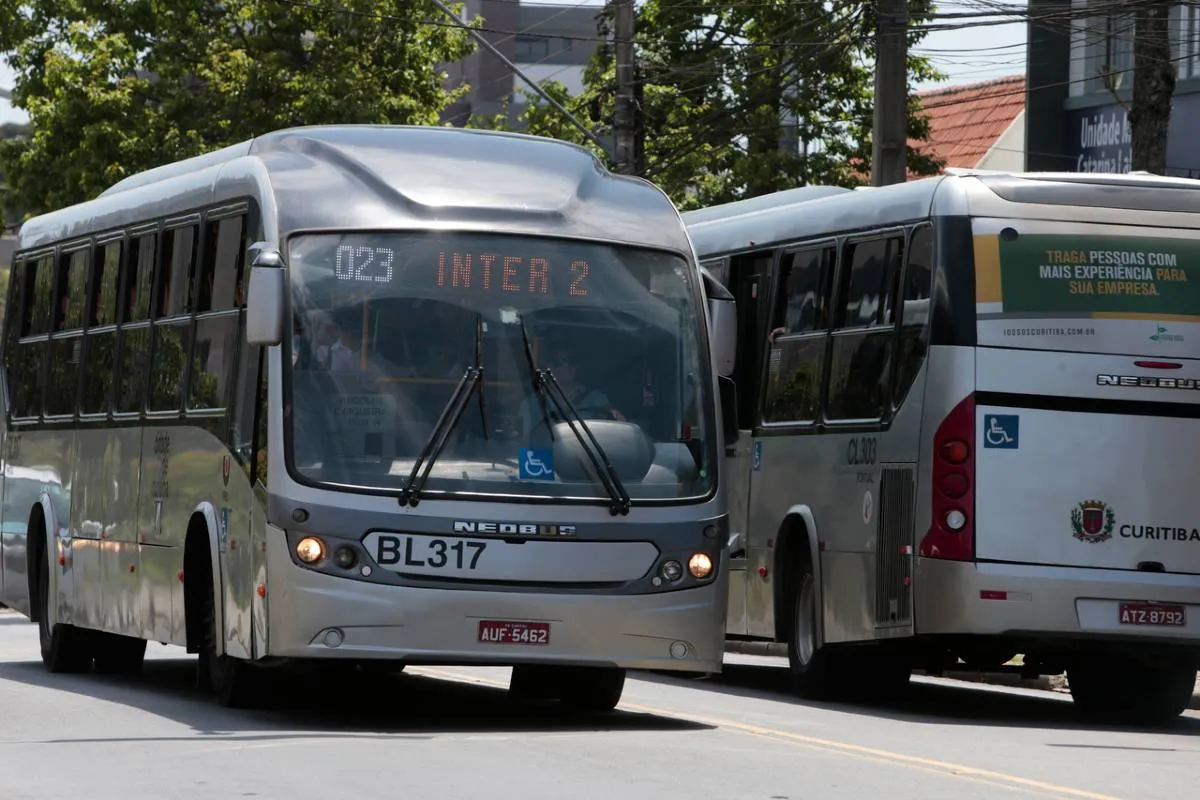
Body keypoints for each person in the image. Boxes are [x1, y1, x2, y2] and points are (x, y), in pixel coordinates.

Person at [520, 345, 625, 438]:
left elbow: (615, 432)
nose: (566, 365)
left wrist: (619, 422)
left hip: (591, 458)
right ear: (547, 366)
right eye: (559, 361)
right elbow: (524, 444)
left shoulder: (595, 397)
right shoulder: (531, 405)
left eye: (571, 361)